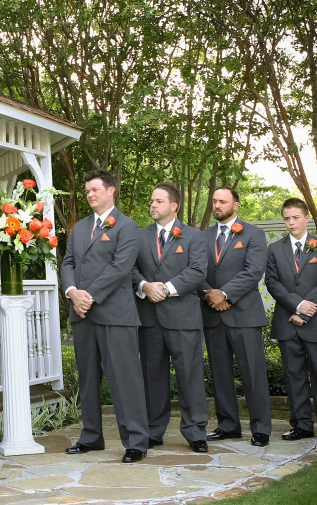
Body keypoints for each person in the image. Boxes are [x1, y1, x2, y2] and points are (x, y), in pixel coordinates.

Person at [61, 169, 149, 463]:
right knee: (87, 380)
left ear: (111, 191)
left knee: (125, 380)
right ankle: (91, 437)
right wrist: (73, 291)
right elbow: (68, 263)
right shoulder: (79, 227)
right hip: (82, 315)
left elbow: (121, 267)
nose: (89, 194)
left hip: (115, 315)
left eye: (95, 189)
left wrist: (89, 296)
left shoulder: (127, 226)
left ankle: (136, 441)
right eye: (87, 190)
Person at [132, 182, 209, 453]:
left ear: (173, 206)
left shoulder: (193, 236)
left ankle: (195, 431)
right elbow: (129, 269)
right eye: (151, 201)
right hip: (149, 319)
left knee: (190, 376)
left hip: (183, 319)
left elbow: (198, 271)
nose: (152, 205)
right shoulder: (138, 236)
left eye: (158, 201)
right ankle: (154, 430)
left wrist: (165, 288)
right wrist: (144, 286)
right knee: (152, 377)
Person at [265, 198, 317, 447]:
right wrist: (297, 306)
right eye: (286, 218)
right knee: (293, 376)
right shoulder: (275, 250)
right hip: (287, 321)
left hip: (316, 323)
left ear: (306, 217)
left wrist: (305, 311)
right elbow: (273, 283)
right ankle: (301, 425)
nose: (290, 222)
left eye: (295, 217)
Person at [199, 187, 271, 446]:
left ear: (236, 205)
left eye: (222, 201)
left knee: (253, 372)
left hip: (244, 315)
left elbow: (253, 272)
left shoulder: (253, 234)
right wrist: (209, 294)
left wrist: (225, 294)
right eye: (215, 201)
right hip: (212, 314)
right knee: (219, 373)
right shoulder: (202, 236)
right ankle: (228, 425)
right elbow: (196, 270)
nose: (217, 205)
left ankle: (261, 428)